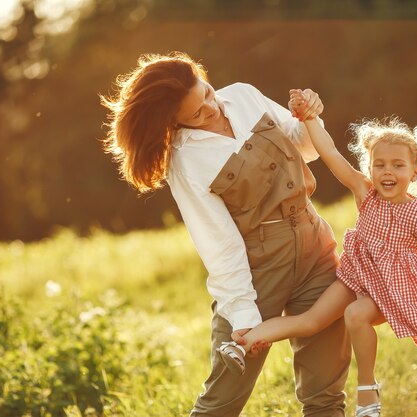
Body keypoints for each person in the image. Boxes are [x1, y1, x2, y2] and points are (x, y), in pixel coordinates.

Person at [100, 52, 351, 417]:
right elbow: (219, 245)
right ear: (172, 123)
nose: (211, 109)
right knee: (223, 399)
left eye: (206, 93)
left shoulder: (244, 95)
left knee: (326, 392)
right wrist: (245, 317)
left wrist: (307, 112)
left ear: (203, 76)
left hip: (315, 244)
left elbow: (305, 146)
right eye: (196, 114)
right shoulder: (185, 162)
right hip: (258, 267)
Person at [218, 90, 417, 417]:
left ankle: (367, 392)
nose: (387, 172)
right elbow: (330, 153)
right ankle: (241, 343)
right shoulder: (365, 192)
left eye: (398, 166)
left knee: (355, 315)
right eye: (380, 165)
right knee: (309, 322)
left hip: (392, 289)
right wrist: (309, 119)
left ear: (415, 171)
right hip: (355, 277)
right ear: (370, 168)